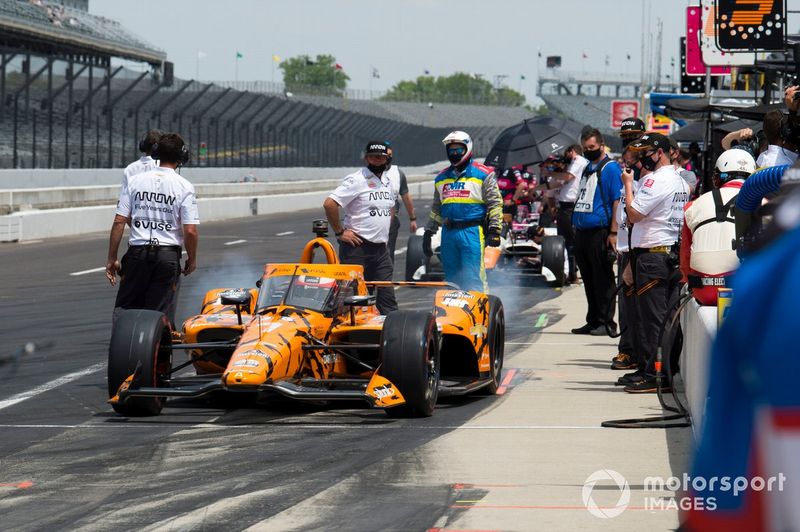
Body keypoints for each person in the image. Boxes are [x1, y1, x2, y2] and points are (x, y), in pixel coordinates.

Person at [618, 133, 690, 393]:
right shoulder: (681, 181)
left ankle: (655, 375)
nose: (640, 160)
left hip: (653, 257)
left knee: (653, 320)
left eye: (644, 153)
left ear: (659, 153)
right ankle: (655, 370)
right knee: (665, 318)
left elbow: (634, 214)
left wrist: (628, 185)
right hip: (667, 254)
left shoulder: (653, 180)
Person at [106, 133, 199, 326]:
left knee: (126, 310)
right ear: (182, 158)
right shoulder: (185, 186)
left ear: (156, 153)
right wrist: (192, 258)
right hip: (167, 258)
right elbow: (190, 230)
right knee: (160, 317)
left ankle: (122, 350)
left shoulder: (135, 181)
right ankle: (158, 354)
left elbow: (119, 221)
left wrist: (112, 258)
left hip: (137, 255)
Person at [323, 140, 398, 314]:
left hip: (380, 251)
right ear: (366, 158)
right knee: (355, 302)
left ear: (387, 159)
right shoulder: (357, 179)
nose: (377, 160)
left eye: (381, 157)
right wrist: (340, 232)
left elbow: (390, 207)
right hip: (357, 249)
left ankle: (392, 337)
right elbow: (329, 204)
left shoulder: (387, 181)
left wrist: (384, 233)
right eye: (373, 157)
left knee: (388, 299)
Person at [423, 130, 502, 292]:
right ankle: (456, 314)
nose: (454, 153)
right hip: (448, 233)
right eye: (451, 150)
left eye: (458, 149)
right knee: (452, 279)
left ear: (467, 148)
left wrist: (495, 230)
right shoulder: (441, 178)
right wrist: (428, 232)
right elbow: (437, 208)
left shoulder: (484, 174)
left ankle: (482, 314)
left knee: (474, 277)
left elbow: (495, 203)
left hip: (472, 231)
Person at [680, 148, 755, 306]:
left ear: (717, 177)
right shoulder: (762, 203)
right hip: (741, 289)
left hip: (702, 289)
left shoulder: (692, 206)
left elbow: (685, 257)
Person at [571, 128, 623, 335]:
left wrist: (613, 232)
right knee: (589, 279)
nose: (588, 151)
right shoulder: (588, 168)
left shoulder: (610, 169)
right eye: (585, 148)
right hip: (583, 231)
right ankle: (593, 319)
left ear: (601, 146)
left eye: (592, 147)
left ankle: (606, 321)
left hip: (600, 232)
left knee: (603, 278)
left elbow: (617, 201)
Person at [540, 144, 587, 283]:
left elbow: (567, 177)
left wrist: (549, 173)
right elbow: (552, 188)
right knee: (564, 241)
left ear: (571, 151)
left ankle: (574, 272)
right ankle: (569, 271)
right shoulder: (567, 167)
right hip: (564, 207)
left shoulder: (578, 161)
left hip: (573, 206)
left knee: (573, 242)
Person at [385, 144, 418, 261]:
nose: (387, 158)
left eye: (390, 156)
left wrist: (412, 219)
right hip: (369, 220)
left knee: (387, 254)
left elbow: (406, 196)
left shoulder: (398, 173)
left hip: (391, 221)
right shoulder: (365, 174)